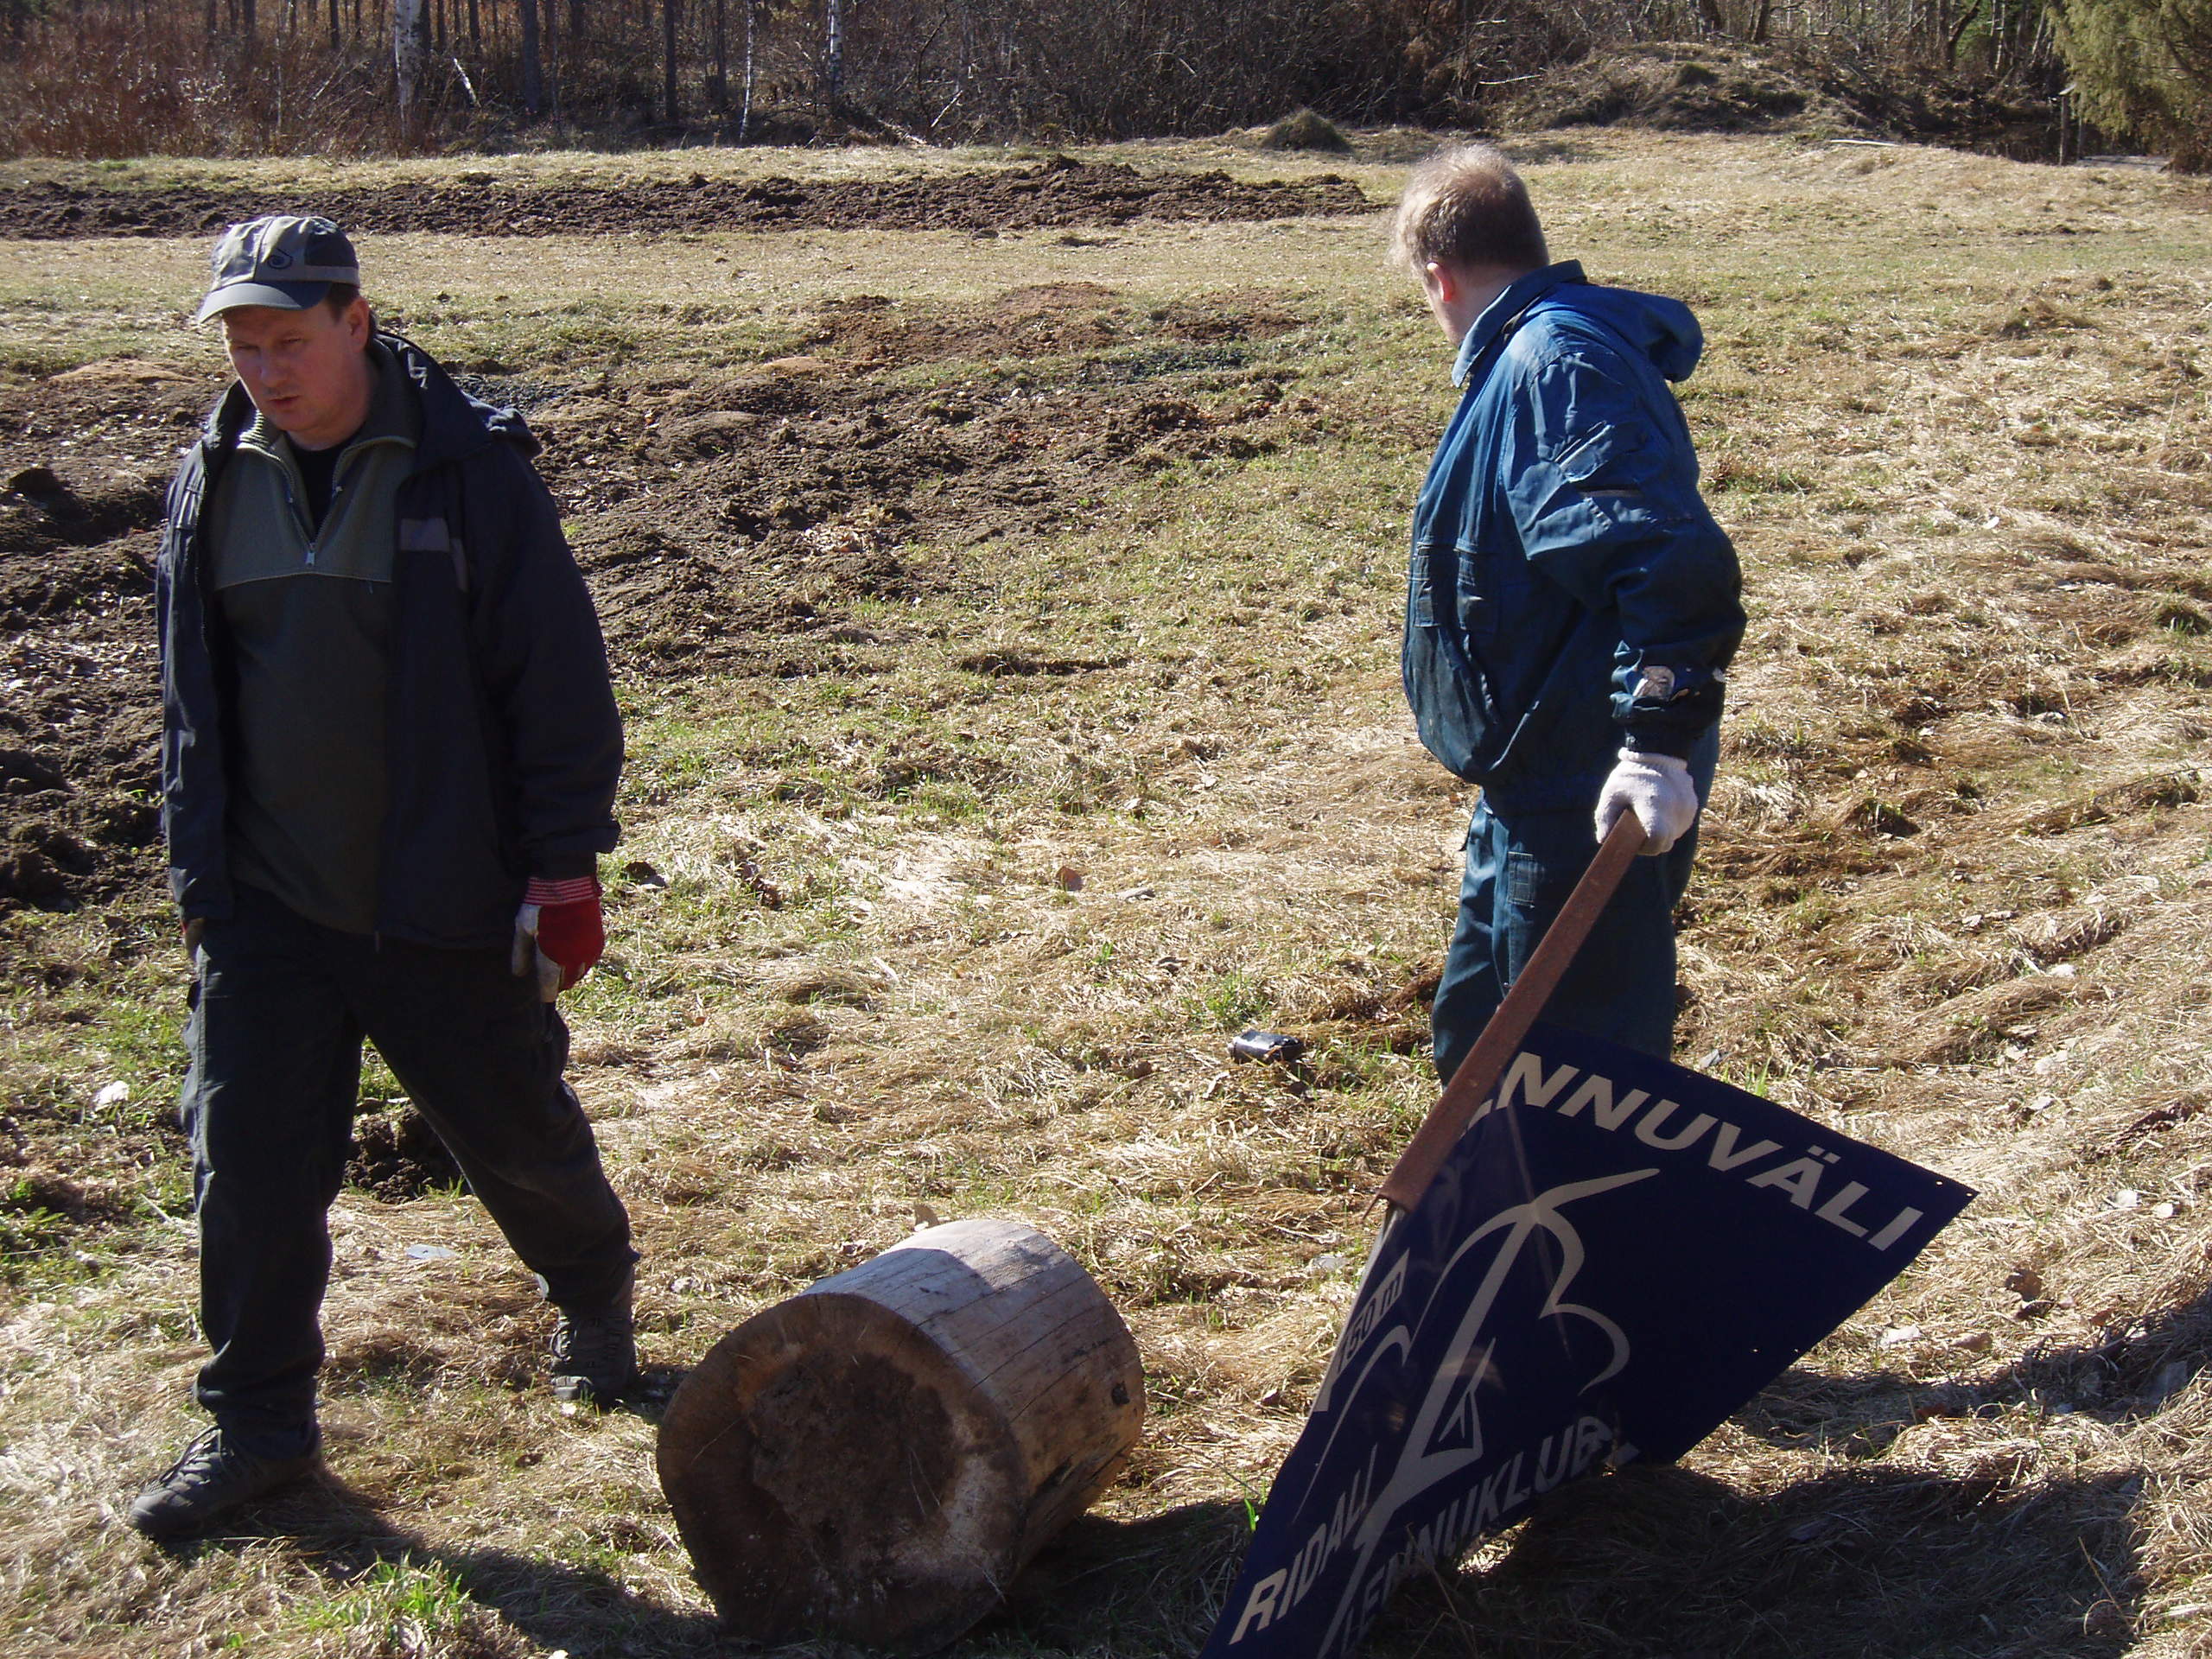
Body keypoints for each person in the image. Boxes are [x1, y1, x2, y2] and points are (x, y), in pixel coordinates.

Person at [131, 215, 639, 1541]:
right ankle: (258, 1427)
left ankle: (593, 1291)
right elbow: (193, 697)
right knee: (244, 1167)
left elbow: (555, 678)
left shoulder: (468, 474)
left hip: (440, 896)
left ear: (356, 322)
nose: (266, 371)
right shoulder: (213, 474)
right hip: (267, 903)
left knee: (514, 1136)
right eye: (244, 346)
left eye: (289, 341)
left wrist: (561, 864)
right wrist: (199, 871)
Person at [1393, 146, 1745, 1080]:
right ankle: (1472, 1219)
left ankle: (1580, 1226)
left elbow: (1669, 559)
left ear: (1437, 276)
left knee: (1574, 1072)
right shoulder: (1532, 356)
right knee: (1479, 1039)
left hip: (1585, 788)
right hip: (1528, 779)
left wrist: (1656, 743)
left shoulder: (1555, 369)